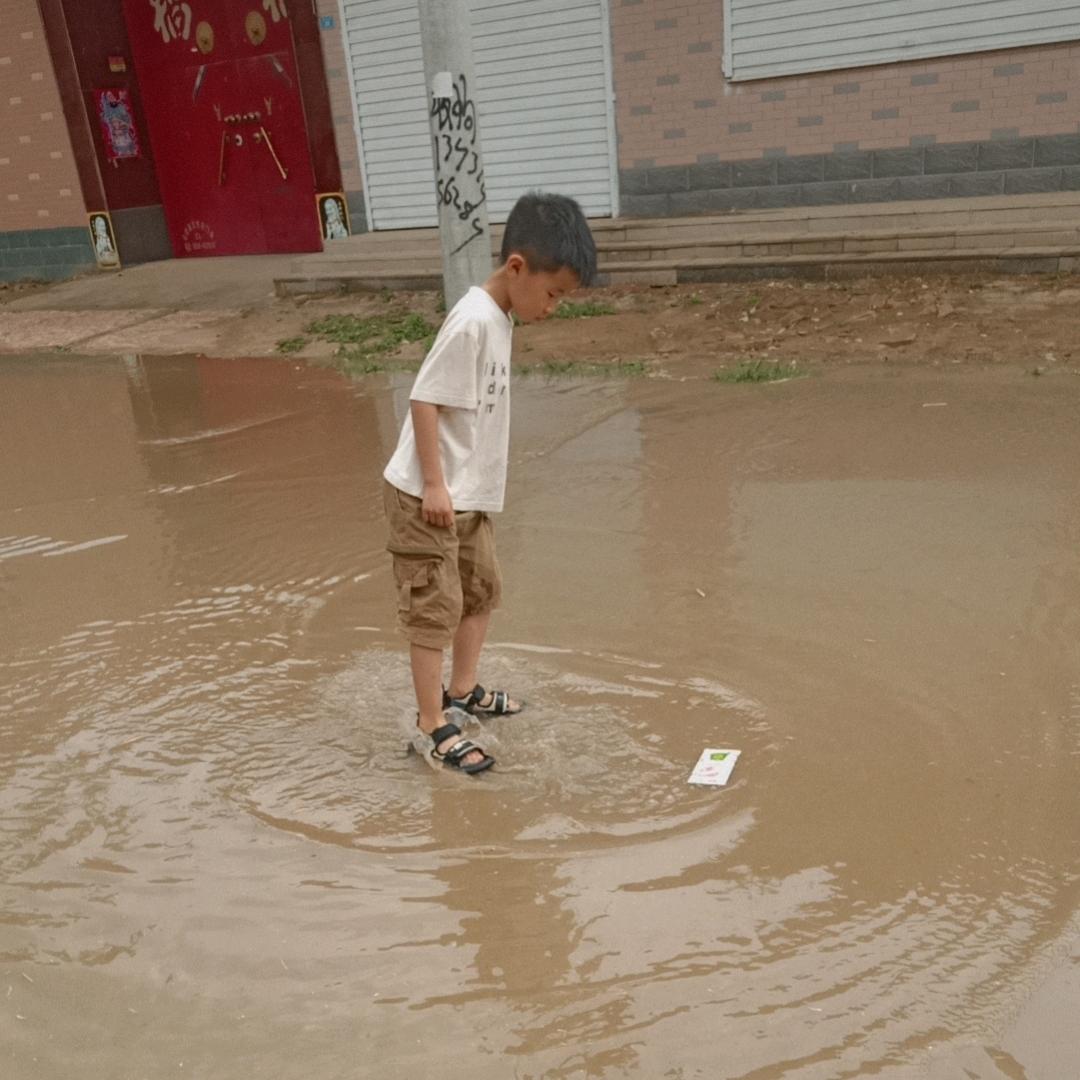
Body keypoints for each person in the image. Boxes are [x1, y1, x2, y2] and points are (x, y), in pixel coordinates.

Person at [383, 192, 597, 774]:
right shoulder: (474, 320)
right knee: (434, 606)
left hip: (467, 493)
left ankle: (463, 690)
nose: (554, 307)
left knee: (480, 591)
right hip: (426, 495)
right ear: (517, 268)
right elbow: (424, 399)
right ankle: (432, 725)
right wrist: (433, 485)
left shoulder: (502, 316)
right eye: (552, 294)